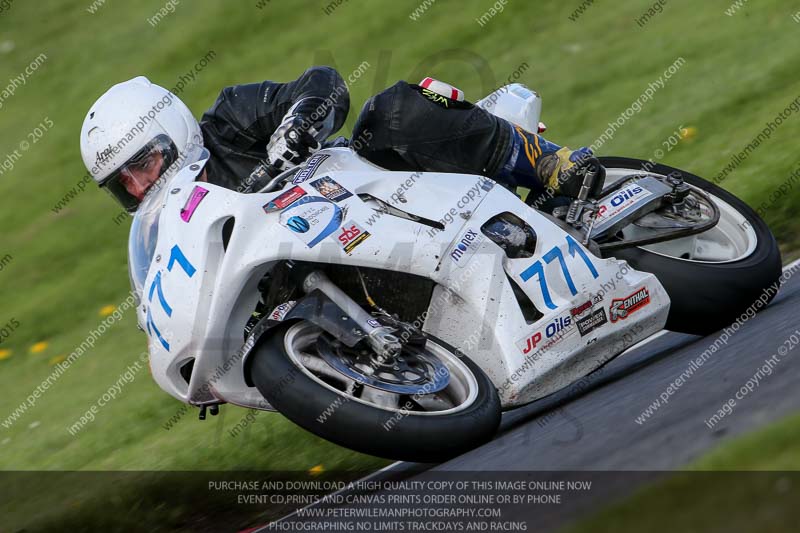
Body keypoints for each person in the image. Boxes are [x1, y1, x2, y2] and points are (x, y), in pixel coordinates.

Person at [79, 67, 602, 214]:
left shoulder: (229, 120)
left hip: (373, 189)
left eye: (142, 164)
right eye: (123, 183)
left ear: (170, 134)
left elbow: (323, 83)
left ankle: (547, 164)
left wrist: (298, 125)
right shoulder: (172, 234)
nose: (140, 185)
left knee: (389, 111)